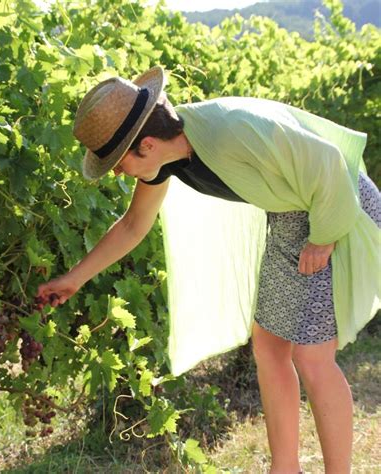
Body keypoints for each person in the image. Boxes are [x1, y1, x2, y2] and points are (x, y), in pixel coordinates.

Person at [36, 66, 381, 473]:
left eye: (116, 160)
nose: (115, 172)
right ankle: (284, 468)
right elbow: (133, 225)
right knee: (269, 346)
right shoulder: (166, 158)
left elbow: (329, 162)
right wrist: (74, 278)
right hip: (292, 218)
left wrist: (324, 237)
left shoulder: (231, 130)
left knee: (311, 357)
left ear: (145, 144)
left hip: (336, 209)